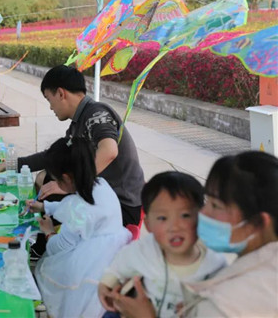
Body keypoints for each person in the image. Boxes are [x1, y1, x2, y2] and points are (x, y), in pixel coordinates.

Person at [112, 151, 278, 317]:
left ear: (257, 223)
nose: (202, 213)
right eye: (207, 202)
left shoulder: (221, 305)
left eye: (216, 205)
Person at [0, 65, 145, 226]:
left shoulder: (97, 114)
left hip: (122, 205)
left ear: (61, 93)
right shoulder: (78, 123)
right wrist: (7, 165)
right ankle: (45, 232)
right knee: (46, 177)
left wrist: (73, 186)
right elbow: (51, 158)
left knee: (51, 190)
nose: (50, 107)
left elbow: (109, 150)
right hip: (102, 194)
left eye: (49, 99)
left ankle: (47, 237)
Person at [27, 136, 132, 318]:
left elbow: (59, 247)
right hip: (110, 262)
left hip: (88, 273)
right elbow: (73, 209)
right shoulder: (101, 185)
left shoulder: (80, 207)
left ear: (66, 178)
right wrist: (44, 207)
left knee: (51, 276)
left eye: (57, 179)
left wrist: (49, 231)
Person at [97, 172, 226, 318]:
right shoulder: (144, 249)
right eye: (163, 218)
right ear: (148, 225)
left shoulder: (215, 266)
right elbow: (120, 264)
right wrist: (106, 284)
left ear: (202, 218)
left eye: (185, 215)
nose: (175, 227)